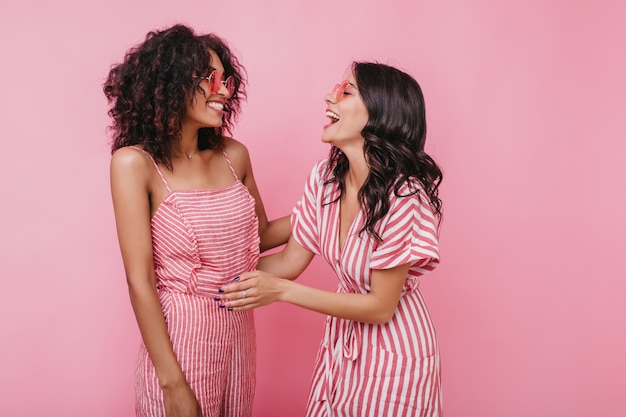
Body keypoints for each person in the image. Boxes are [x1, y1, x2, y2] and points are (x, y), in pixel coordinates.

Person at [219, 62, 444, 416]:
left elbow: (381, 307)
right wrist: (210, 279)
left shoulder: (405, 196)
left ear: (380, 112)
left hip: (397, 352)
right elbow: (287, 261)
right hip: (343, 346)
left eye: (346, 91)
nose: (329, 96)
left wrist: (280, 292)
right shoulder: (326, 180)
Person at [104, 24, 289, 417]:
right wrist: (172, 384)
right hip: (181, 342)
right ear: (169, 83)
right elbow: (140, 281)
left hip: (239, 334)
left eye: (228, 80)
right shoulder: (134, 164)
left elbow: (264, 235)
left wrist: (330, 205)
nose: (224, 89)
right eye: (210, 79)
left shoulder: (233, 155)